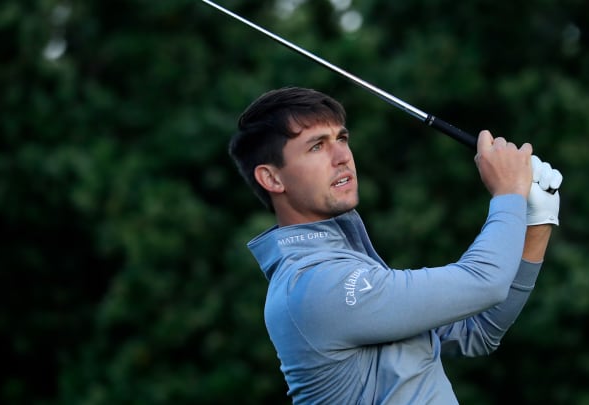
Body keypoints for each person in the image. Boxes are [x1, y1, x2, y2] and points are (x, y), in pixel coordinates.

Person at [229, 87, 563, 404]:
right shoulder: (312, 285)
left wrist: (538, 219)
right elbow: (485, 282)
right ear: (272, 178)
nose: (343, 156)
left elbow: (476, 331)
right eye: (317, 146)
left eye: (342, 138)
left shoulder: (348, 266)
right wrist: (508, 193)